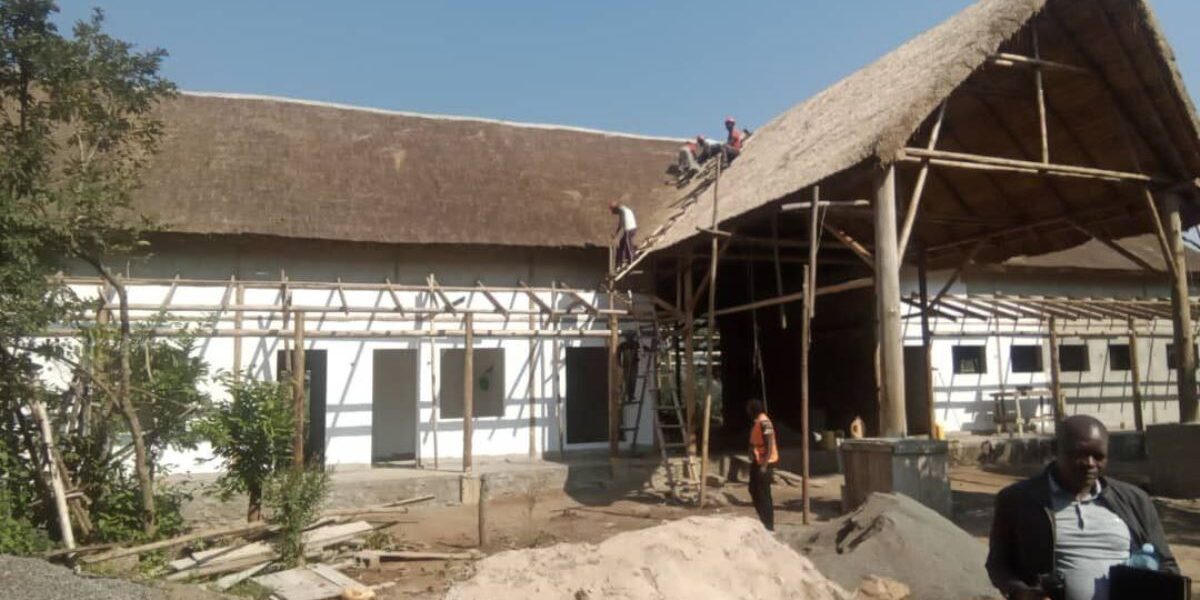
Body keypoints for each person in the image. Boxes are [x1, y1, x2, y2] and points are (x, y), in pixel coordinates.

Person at [986, 415, 1178, 600]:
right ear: (1056, 450)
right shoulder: (1018, 500)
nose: (1090, 464)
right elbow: (998, 564)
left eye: (1098, 456)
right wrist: (1020, 592)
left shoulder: (1135, 500)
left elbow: (1167, 565)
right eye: (1080, 454)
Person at [746, 398, 778, 531]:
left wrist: (764, 464)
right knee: (753, 489)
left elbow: (769, 443)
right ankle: (763, 521)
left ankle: (768, 525)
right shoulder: (757, 422)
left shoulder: (764, 422)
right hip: (758, 460)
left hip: (765, 461)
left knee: (764, 493)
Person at [609, 201, 638, 267]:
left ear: (615, 208)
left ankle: (631, 260)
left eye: (613, 211)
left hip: (630, 229)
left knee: (627, 244)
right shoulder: (623, 208)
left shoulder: (621, 211)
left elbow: (621, 224)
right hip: (631, 228)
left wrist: (616, 235)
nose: (614, 213)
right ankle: (621, 260)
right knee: (622, 242)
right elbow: (622, 223)